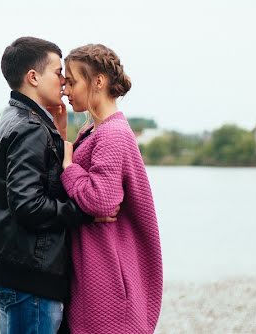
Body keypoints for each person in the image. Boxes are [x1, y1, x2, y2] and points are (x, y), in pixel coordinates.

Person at [0, 36, 119, 334]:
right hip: (29, 275)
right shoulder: (30, 128)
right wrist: (85, 213)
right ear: (33, 77)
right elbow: (28, 206)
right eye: (58, 73)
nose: (64, 83)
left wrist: (59, 134)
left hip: (14, 270)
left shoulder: (16, 119)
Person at [60, 44, 163, 334]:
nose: (65, 90)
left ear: (98, 82)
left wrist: (69, 168)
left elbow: (99, 199)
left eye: (72, 81)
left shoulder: (113, 134)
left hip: (108, 282)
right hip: (94, 273)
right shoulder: (92, 131)